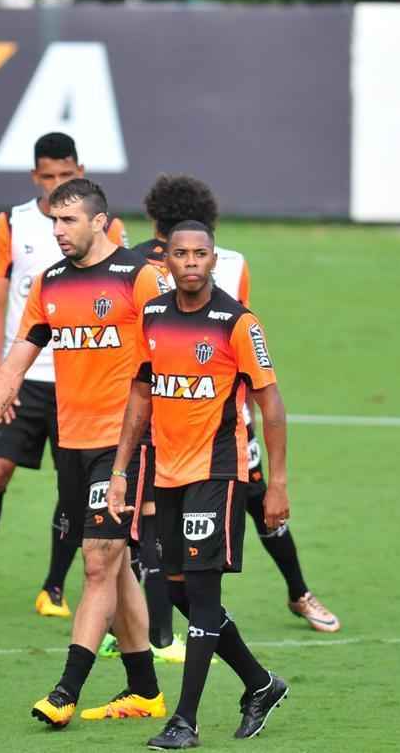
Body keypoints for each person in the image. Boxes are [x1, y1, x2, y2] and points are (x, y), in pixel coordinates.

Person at [0, 178, 167, 728]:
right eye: (53, 221)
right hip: (72, 444)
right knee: (114, 566)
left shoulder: (137, 278)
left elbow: (167, 361)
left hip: (123, 445)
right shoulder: (49, 284)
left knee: (98, 559)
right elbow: (14, 363)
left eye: (68, 221)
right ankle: (145, 690)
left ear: (99, 222)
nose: (57, 231)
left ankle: (65, 690)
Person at [0, 133, 127, 619]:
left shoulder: (106, 228)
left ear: (80, 169)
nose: (57, 183)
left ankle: (53, 587)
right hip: (27, 377)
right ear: (36, 176)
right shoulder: (12, 223)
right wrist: (0, 378)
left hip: (80, 383)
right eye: (48, 176)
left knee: (71, 486)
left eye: (65, 174)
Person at [107, 220, 290, 749]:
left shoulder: (237, 322)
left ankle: (184, 720)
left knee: (203, 592)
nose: (190, 262)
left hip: (218, 471)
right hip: (165, 472)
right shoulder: (154, 316)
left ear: (214, 260)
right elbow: (141, 394)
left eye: (200, 254)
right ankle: (260, 683)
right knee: (178, 589)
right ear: (166, 261)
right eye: (180, 254)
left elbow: (270, 403)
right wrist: (121, 470)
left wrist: (276, 484)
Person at [133, 174, 339, 635]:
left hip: (210, 421)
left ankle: (160, 627)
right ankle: (296, 593)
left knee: (158, 520)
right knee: (247, 508)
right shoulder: (222, 263)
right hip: (172, 419)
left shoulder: (140, 263)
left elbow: (228, 339)